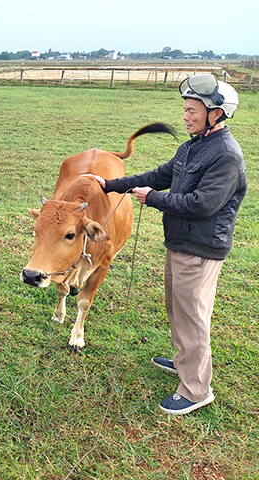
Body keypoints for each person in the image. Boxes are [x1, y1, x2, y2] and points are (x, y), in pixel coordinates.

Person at [85, 74, 246, 415]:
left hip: (201, 247)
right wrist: (113, 183)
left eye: (192, 111)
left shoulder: (226, 156)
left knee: (192, 316)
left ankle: (196, 389)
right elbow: (159, 176)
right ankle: (184, 361)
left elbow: (203, 204)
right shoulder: (192, 146)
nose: (185, 116)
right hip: (181, 241)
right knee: (177, 308)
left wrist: (154, 199)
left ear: (215, 114)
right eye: (185, 109)